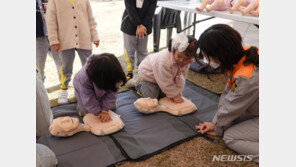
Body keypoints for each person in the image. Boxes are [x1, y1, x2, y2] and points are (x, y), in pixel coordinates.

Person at [195, 24, 259, 162]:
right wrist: (217, 123)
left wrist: (217, 127)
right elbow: (229, 93)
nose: (206, 59)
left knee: (230, 136)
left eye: (207, 56)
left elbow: (232, 106)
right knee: (230, 123)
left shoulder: (246, 77)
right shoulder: (248, 53)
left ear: (218, 55)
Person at [46, 0, 100, 104]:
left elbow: (90, 18)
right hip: (64, 38)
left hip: (84, 36)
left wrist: (95, 35)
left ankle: (89, 89)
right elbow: (50, 21)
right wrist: (54, 40)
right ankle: (64, 89)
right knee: (66, 66)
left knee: (89, 64)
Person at [132, 33, 198, 103]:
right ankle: (138, 84)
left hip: (163, 76)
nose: (182, 60)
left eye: (186, 59)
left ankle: (159, 87)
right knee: (153, 98)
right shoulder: (164, 61)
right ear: (174, 50)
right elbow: (165, 81)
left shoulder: (186, 62)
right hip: (149, 75)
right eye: (179, 56)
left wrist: (178, 92)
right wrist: (174, 95)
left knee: (166, 95)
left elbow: (181, 77)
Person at [73, 53, 126, 123]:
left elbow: (113, 92)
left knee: (112, 107)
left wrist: (104, 110)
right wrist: (98, 112)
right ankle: (80, 103)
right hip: (83, 93)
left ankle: (101, 104)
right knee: (85, 112)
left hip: (101, 92)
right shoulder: (83, 78)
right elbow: (88, 97)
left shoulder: (115, 72)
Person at [121, 0, 157, 80]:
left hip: (145, 27)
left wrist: (143, 25)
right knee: (129, 51)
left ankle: (142, 71)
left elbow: (151, 11)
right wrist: (138, 24)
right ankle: (129, 72)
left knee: (142, 51)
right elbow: (130, 9)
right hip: (129, 25)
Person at [36, 0, 62, 81]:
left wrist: (51, 7)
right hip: (38, 37)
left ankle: (64, 85)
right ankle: (40, 90)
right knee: (39, 65)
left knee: (61, 61)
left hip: (54, 34)